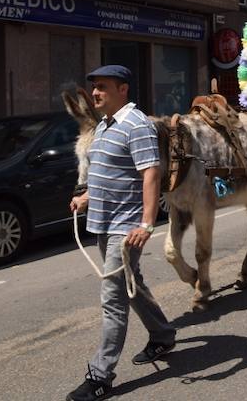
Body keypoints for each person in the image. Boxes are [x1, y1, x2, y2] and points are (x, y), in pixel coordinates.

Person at [67, 65, 176, 401]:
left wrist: (146, 223)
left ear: (122, 89)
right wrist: (86, 197)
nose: (95, 93)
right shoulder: (104, 126)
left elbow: (150, 175)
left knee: (112, 300)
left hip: (125, 228)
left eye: (102, 87)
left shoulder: (136, 125)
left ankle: (101, 375)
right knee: (132, 285)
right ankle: (162, 333)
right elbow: (106, 172)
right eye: (94, 87)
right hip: (102, 222)